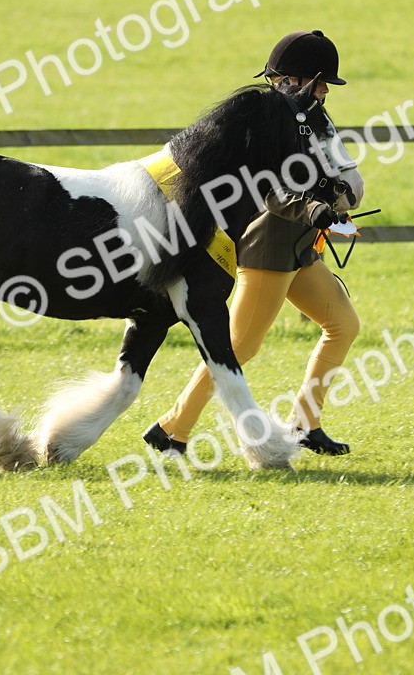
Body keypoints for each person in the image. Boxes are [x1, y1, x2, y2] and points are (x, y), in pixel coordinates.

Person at [144, 30, 361, 457]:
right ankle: (172, 428)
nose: (323, 92)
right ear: (294, 80)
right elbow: (269, 190)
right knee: (239, 346)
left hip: (300, 247)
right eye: (320, 83)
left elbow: (330, 171)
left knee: (343, 325)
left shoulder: (314, 118)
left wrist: (335, 205)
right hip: (269, 246)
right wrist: (313, 210)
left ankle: (304, 422)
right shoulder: (267, 122)